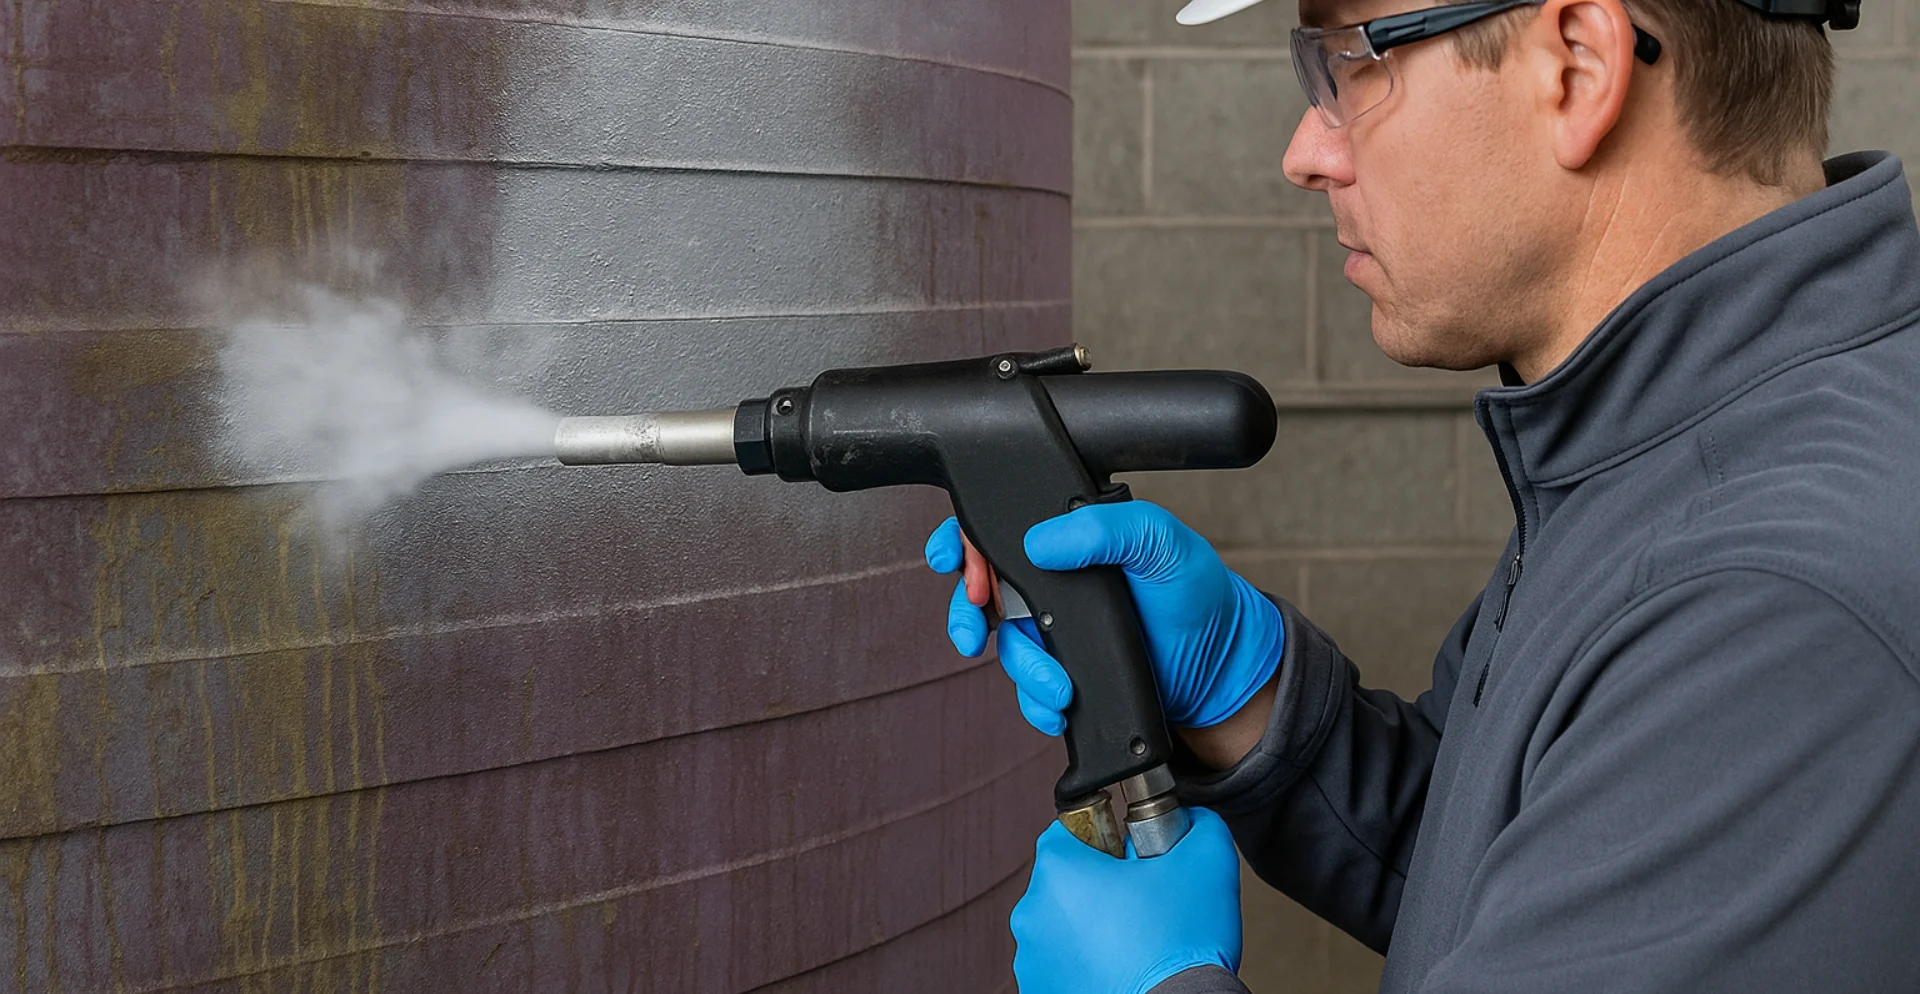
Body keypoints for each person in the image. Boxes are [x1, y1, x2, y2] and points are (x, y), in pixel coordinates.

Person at [923, 0, 1920, 990]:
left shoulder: (1777, 609)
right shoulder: (1677, 447)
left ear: (1574, 66)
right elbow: (1546, 877)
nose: (1306, 151)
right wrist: (1252, 699)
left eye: (1347, 64)